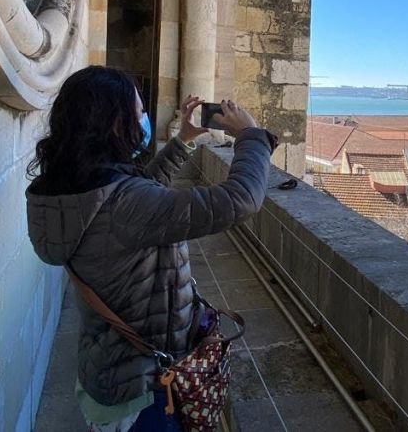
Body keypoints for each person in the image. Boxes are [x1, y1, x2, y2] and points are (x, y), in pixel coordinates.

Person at [26, 66, 275, 431]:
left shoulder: (70, 190)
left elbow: (133, 199)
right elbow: (239, 200)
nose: (144, 119)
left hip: (108, 368)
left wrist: (183, 140)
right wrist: (251, 137)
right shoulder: (125, 205)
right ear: (116, 124)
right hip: (147, 390)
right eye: (140, 112)